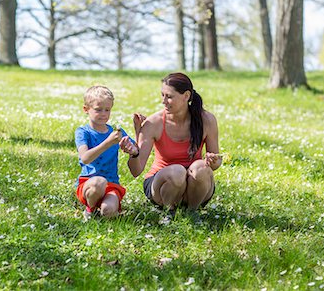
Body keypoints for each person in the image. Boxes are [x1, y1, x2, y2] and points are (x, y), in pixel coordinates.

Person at [121, 72, 222, 222]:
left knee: (201, 168)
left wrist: (214, 162)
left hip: (194, 188)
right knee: (177, 171)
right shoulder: (153, 123)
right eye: (162, 95)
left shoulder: (206, 120)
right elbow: (136, 171)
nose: (163, 101)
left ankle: (191, 212)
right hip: (162, 186)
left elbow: (216, 163)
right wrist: (134, 151)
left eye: (169, 96)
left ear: (186, 96)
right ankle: (170, 212)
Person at [75, 85, 139, 220]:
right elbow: (85, 158)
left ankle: (106, 210)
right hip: (89, 184)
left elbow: (135, 147)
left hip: (111, 185)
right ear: (86, 109)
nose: (104, 114)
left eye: (107, 110)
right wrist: (108, 143)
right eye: (98, 110)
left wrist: (132, 148)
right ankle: (90, 210)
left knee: (108, 211)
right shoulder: (83, 132)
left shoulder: (116, 132)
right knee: (99, 182)